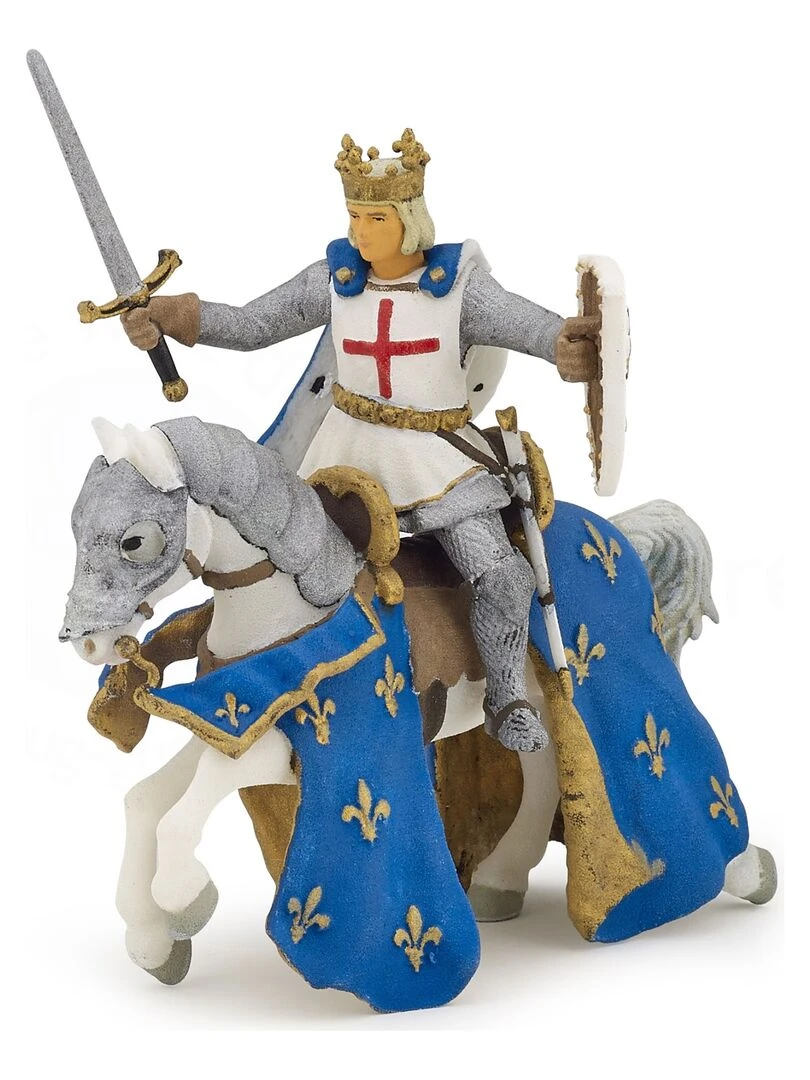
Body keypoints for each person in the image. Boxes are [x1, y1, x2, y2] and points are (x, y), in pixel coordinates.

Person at [121, 129, 598, 752]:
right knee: (284, 566)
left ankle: (505, 699)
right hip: (346, 460)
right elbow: (253, 324)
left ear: (409, 219)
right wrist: (170, 316)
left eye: (376, 218)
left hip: (438, 461)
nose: (361, 232)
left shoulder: (457, 286)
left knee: (503, 577)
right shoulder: (335, 277)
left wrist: (563, 344)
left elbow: (524, 324)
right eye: (353, 216)